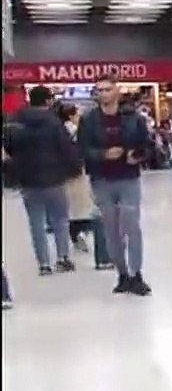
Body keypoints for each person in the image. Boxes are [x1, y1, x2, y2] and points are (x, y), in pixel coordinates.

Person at [78, 76, 152, 296]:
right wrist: (103, 155)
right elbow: (81, 149)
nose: (103, 94)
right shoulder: (89, 120)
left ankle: (136, 274)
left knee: (131, 225)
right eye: (99, 90)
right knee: (111, 230)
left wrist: (137, 156)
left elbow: (147, 145)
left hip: (128, 178)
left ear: (117, 91)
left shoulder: (134, 118)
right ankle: (122, 274)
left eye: (108, 89)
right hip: (101, 179)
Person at [3, 85, 82, 275]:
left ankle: (44, 264)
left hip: (28, 180)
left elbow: (8, 149)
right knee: (60, 220)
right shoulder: (54, 122)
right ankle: (63, 258)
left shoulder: (16, 122)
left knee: (36, 223)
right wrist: (75, 169)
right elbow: (66, 148)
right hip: (54, 178)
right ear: (48, 100)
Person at [58, 103, 111, 271]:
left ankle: (76, 235)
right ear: (71, 115)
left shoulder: (60, 130)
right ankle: (83, 235)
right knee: (86, 207)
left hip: (65, 173)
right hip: (79, 172)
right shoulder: (75, 130)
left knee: (73, 208)